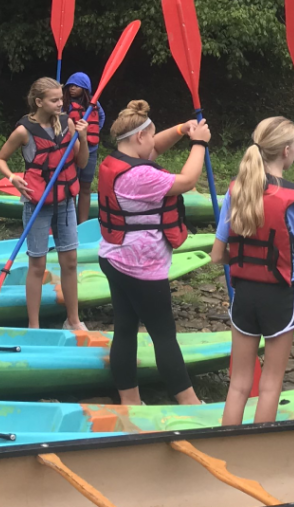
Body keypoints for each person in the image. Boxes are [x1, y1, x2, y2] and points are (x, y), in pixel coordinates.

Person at [211, 116, 294, 425]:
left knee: (237, 385)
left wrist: (247, 263)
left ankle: (226, 447)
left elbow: (218, 254)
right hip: (279, 297)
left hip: (243, 295)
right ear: (287, 151)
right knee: (271, 385)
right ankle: (259, 451)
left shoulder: (235, 191)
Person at [98, 100, 210, 405]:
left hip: (114, 257)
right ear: (138, 138)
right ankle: (189, 402)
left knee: (125, 329)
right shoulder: (140, 177)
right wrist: (198, 143)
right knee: (163, 335)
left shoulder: (117, 159)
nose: (154, 142)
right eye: (151, 135)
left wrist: (180, 130)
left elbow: (155, 148)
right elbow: (187, 181)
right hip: (140, 267)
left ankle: (130, 401)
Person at [0, 78, 88, 329]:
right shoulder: (24, 131)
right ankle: (33, 325)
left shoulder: (67, 123)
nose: (61, 103)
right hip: (37, 204)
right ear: (39, 102)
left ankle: (74, 320)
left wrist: (84, 138)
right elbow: (0, 160)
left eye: (61, 99)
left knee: (70, 262)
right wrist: (13, 177)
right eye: (54, 100)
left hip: (66, 201)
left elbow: (81, 162)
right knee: (38, 265)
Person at [63, 72, 106, 223]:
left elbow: (101, 117)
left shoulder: (94, 104)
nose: (72, 89)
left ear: (85, 88)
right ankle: (70, 221)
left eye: (76, 86)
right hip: (71, 150)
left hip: (91, 149)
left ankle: (82, 222)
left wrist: (94, 131)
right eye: (70, 86)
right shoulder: (65, 104)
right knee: (71, 188)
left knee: (85, 187)